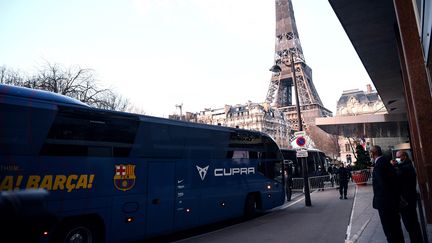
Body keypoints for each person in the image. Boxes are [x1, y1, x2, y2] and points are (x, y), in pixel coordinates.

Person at [371, 145, 404, 243]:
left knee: (390, 231)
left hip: (386, 204)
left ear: (373, 154)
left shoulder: (379, 165)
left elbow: (383, 185)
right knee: (396, 229)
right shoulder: (385, 162)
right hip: (392, 203)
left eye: (370, 153)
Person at [393, 150, 423, 243]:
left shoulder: (406, 167)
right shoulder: (404, 166)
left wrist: (394, 166)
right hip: (408, 199)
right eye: (396, 157)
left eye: (399, 157)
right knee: (412, 223)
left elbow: (398, 175)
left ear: (404, 157)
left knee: (411, 224)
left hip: (407, 200)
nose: (397, 159)